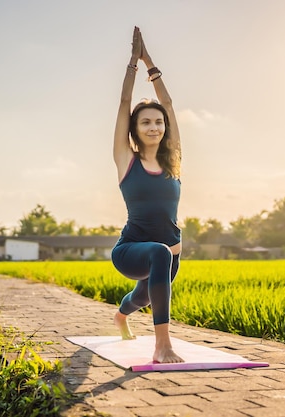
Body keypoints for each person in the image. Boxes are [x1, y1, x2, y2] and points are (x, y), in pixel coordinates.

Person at [111, 26, 183, 364]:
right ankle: (163, 345)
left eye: (158, 122)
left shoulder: (174, 161)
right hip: (131, 251)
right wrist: (133, 63)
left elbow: (167, 102)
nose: (154, 126)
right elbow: (126, 103)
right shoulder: (126, 160)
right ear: (135, 130)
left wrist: (151, 61)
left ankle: (121, 315)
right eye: (146, 123)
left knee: (141, 298)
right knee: (157, 254)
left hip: (171, 252)